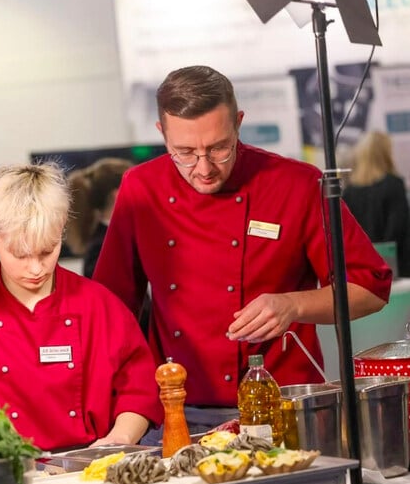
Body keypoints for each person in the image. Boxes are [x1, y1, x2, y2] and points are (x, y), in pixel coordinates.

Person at [92, 65, 392, 435]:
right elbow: (110, 308)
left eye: (219, 148)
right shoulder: (141, 188)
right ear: (162, 133)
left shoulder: (296, 184)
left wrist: (293, 305)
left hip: (286, 407)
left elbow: (371, 289)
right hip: (176, 413)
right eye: (184, 152)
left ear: (238, 123)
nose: (203, 168)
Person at [0, 163, 163, 452]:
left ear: (62, 227)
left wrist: (120, 438)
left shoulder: (99, 306)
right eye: (21, 255)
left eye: (47, 250)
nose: (36, 268)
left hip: (91, 465)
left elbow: (138, 389)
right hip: (4, 473)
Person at [342, 131, 410, 277]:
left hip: (363, 270)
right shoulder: (394, 185)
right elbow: (397, 230)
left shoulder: (348, 193)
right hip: (396, 267)